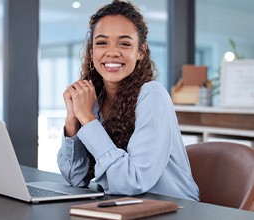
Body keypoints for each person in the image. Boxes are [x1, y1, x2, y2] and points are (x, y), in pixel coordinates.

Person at [57, 0, 199, 201]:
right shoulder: (95, 100)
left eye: (124, 43)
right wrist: (73, 120)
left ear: (140, 51)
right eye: (102, 42)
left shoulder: (153, 95)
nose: (112, 52)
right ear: (91, 52)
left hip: (173, 209)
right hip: (126, 206)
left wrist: (88, 120)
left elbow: (132, 182)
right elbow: (75, 179)